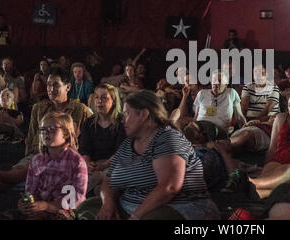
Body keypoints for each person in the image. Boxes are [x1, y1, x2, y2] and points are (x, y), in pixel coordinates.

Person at [76, 90, 220, 220]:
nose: (122, 119)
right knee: (86, 209)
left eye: (126, 114)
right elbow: (109, 181)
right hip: (131, 206)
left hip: (179, 207)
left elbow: (169, 187)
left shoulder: (168, 138)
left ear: (144, 115)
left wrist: (135, 217)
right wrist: (108, 204)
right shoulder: (128, 144)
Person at [0, 67, 92, 194]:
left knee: (29, 168)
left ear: (67, 87)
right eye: (49, 85)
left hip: (63, 157)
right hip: (36, 153)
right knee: (8, 179)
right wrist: (29, 155)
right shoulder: (39, 108)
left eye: (56, 85)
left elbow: (88, 138)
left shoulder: (80, 110)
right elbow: (31, 137)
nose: (51, 89)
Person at [17, 112, 88, 220]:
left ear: (66, 133)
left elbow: (77, 199)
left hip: (65, 212)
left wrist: (47, 206)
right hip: (39, 211)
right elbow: (30, 191)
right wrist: (26, 204)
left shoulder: (76, 161)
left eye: (53, 128)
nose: (46, 132)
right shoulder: (36, 160)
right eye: (42, 129)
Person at [79, 84, 126, 196]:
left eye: (104, 98)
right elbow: (84, 149)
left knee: (98, 178)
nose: (99, 101)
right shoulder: (88, 123)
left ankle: (72, 204)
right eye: (97, 97)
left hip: (114, 164)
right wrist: (88, 163)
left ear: (113, 101)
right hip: (93, 164)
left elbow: (120, 152)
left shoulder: (122, 123)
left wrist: (104, 165)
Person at [193, 70, 246, 136]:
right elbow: (195, 116)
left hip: (219, 130)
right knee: (188, 129)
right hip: (200, 126)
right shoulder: (201, 93)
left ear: (226, 84)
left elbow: (239, 116)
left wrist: (245, 129)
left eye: (220, 81)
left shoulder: (231, 93)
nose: (216, 83)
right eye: (214, 80)